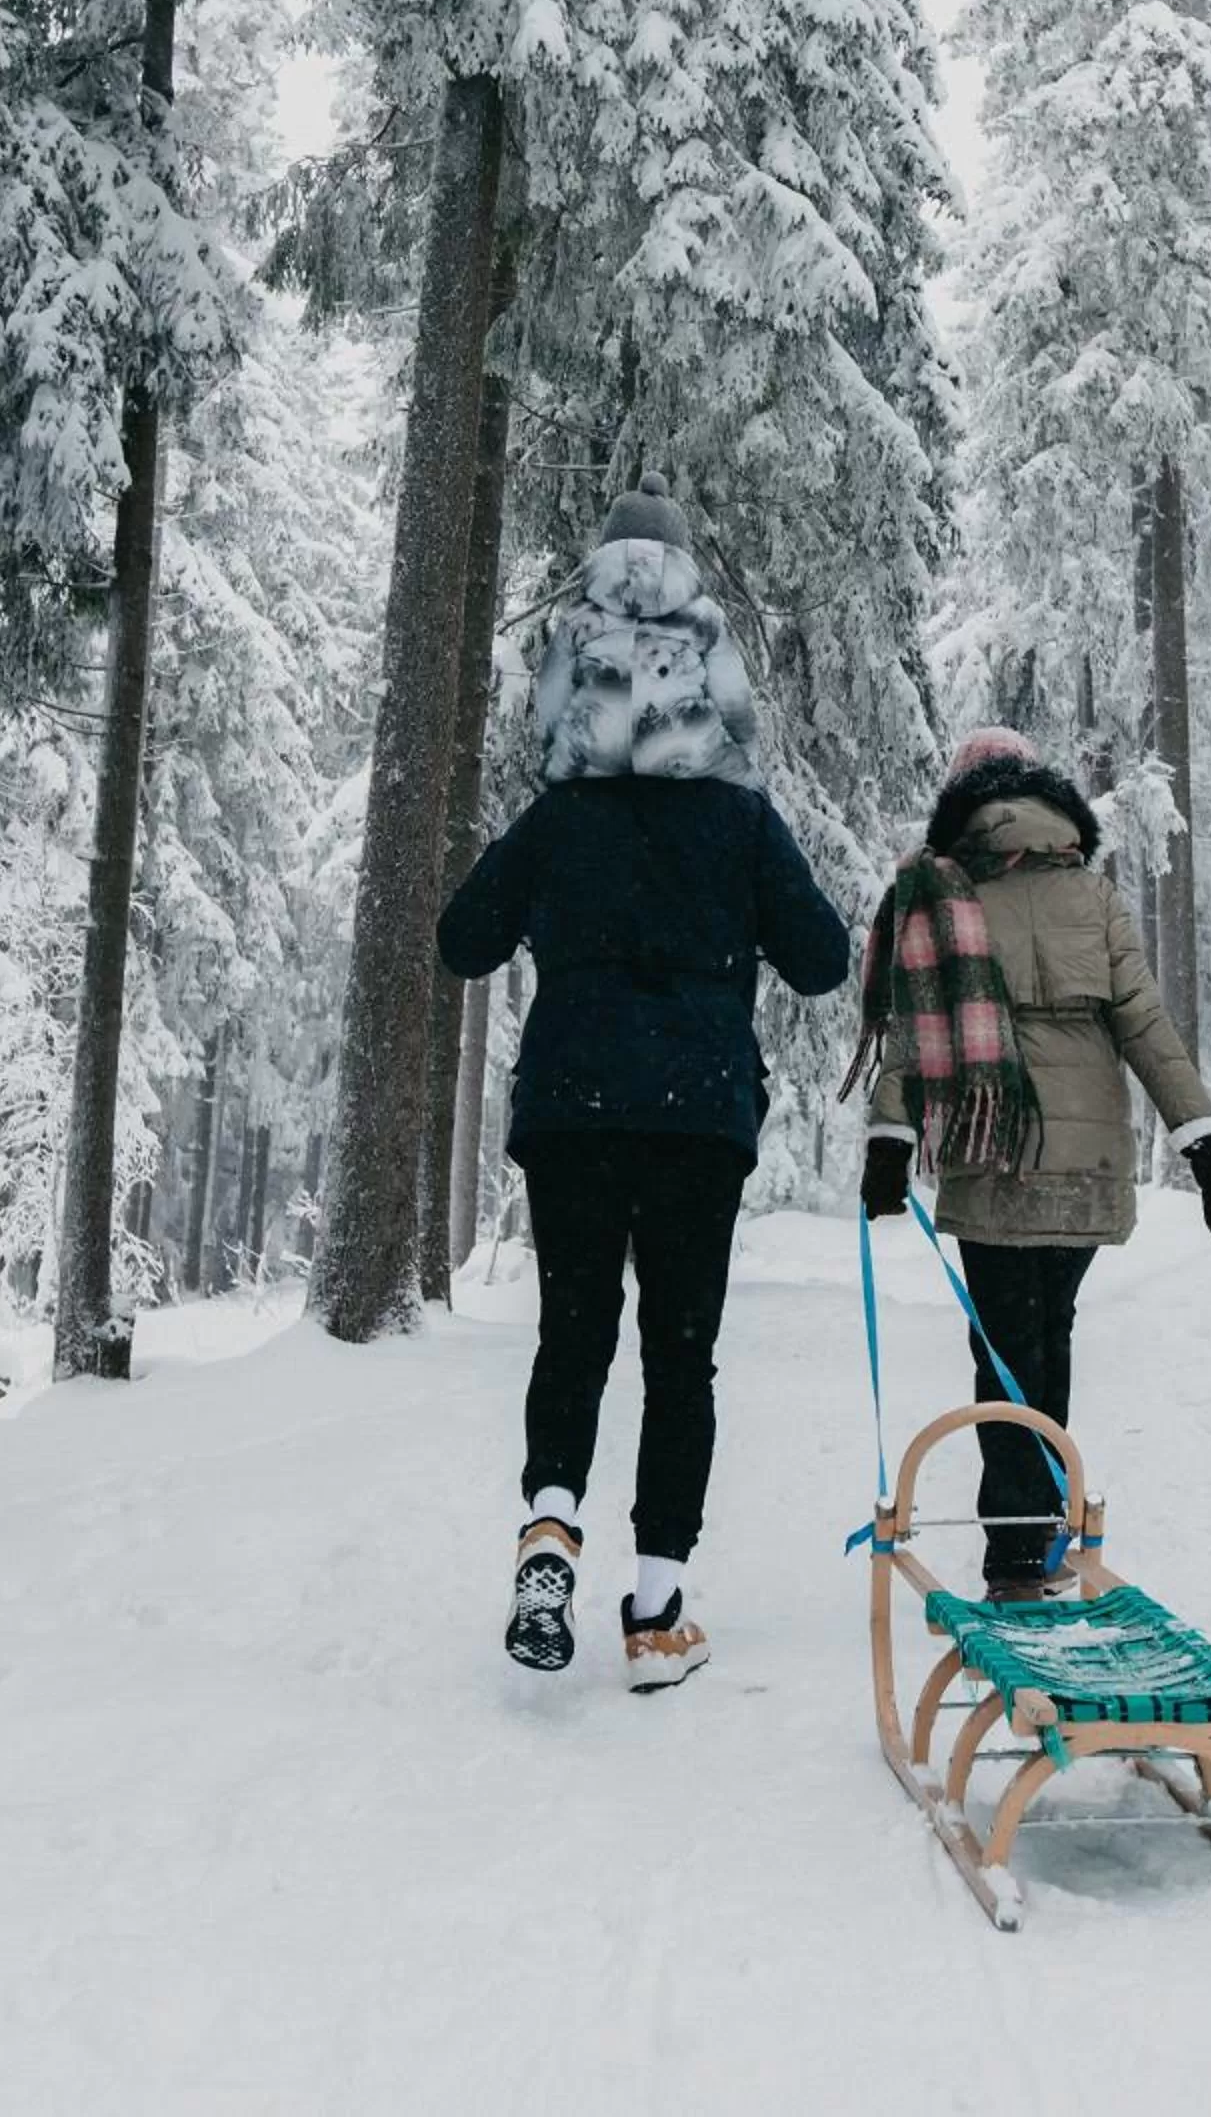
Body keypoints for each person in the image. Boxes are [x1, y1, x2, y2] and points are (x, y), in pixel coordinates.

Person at [437, 472, 850, 1690]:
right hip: (696, 1116)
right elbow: (823, 963)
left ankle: (550, 1524)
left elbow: (462, 940)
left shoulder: (557, 818)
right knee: (681, 1359)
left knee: (572, 1334)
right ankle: (657, 1611)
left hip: (570, 1107)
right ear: (703, 668)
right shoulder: (737, 819)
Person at [848, 727, 1211, 1600]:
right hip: (1087, 1155)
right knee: (1046, 1335)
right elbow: (1143, 1021)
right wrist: (1199, 1141)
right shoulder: (1092, 896)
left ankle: (1017, 1553)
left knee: (1002, 1353)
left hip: (994, 1156)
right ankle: (1043, 1533)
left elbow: (915, 1036)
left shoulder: (944, 897)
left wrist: (889, 1141)